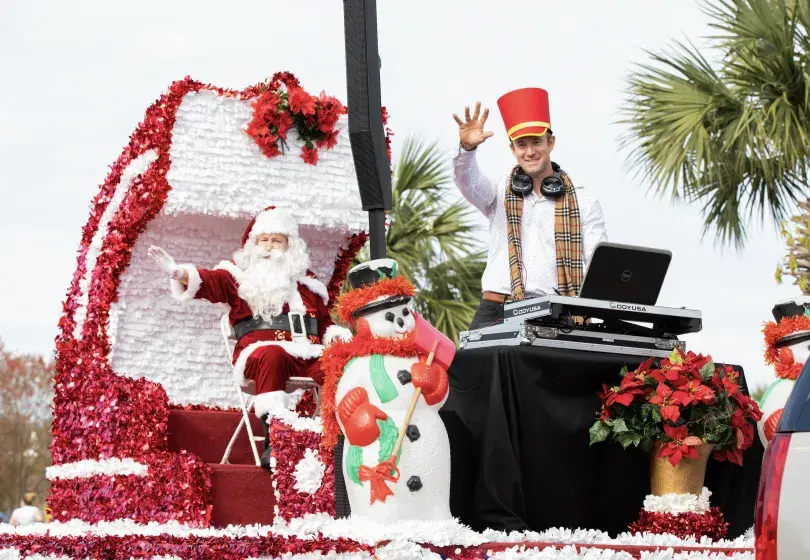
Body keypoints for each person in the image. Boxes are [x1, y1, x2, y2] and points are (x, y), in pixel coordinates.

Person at [148, 206, 351, 467]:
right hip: (259, 355)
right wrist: (178, 272)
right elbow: (208, 282)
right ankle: (275, 441)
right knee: (272, 354)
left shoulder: (308, 284)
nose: (269, 247)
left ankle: (335, 439)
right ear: (253, 245)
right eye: (263, 240)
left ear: (290, 246)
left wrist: (336, 337)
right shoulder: (237, 276)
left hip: (305, 354)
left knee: (341, 365)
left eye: (276, 241)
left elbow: (323, 325)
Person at [452, 88, 608, 329]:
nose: (530, 151)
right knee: (467, 367)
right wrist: (467, 149)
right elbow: (466, 182)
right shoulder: (498, 190)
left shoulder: (584, 202)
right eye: (521, 144)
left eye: (536, 142)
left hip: (557, 315)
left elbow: (599, 262)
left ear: (551, 142)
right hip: (497, 309)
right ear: (512, 149)